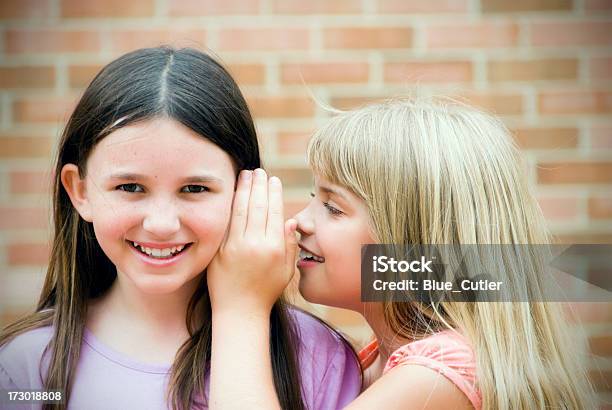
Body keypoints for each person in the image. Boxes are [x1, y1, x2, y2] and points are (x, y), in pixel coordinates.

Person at [0, 47, 361, 410]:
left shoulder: (316, 358)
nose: (161, 224)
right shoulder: (25, 368)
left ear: (243, 193)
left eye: (194, 189)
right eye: (129, 188)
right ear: (79, 190)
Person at [206, 98, 597, 409]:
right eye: (313, 198)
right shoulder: (379, 358)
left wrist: (240, 309)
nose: (299, 222)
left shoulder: (438, 376)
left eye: (333, 207)